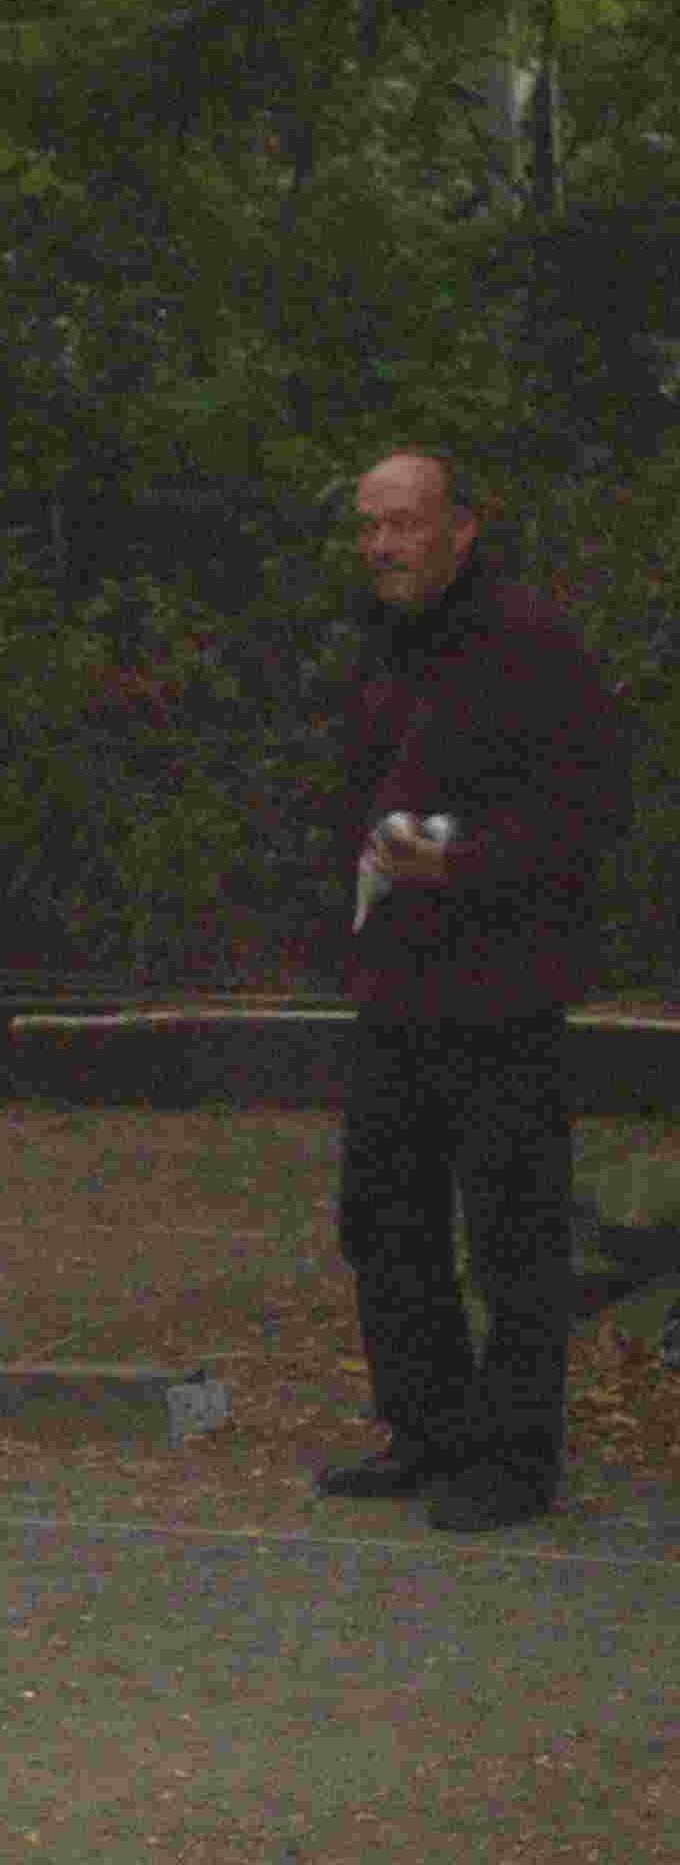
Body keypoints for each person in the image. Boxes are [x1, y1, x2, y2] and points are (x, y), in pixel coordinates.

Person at [317, 451, 630, 1532]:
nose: (384, 548)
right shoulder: (380, 642)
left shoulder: (531, 640)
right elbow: (352, 787)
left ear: (462, 526)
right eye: (369, 529)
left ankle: (513, 1458)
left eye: (402, 525)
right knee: (385, 1218)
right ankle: (427, 1429)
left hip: (502, 987)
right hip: (395, 984)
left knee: (510, 1230)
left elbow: (587, 812)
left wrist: (461, 859)